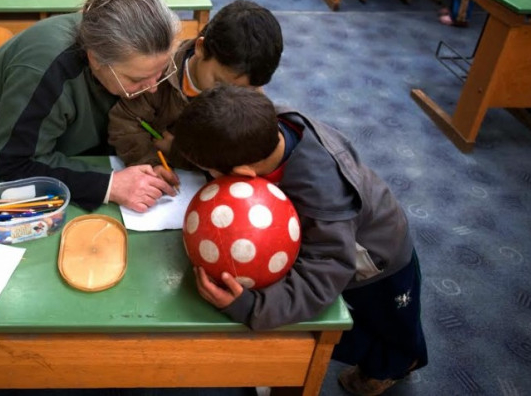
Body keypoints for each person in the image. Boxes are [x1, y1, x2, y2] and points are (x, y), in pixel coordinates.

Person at [172, 85, 427, 396]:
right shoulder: (265, 128)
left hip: (378, 261)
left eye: (210, 171)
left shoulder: (325, 197)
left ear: (244, 172)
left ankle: (394, 366)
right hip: (329, 236)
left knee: (391, 327)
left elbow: (322, 278)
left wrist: (251, 307)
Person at [0, 0, 180, 212]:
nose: (153, 87)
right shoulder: (44, 69)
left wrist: (146, 160)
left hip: (49, 142)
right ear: (95, 59)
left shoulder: (121, 50)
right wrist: (110, 185)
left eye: (160, 72)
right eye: (136, 79)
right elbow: (13, 165)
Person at [107, 0, 283, 174]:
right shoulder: (156, 76)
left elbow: (242, 153)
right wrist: (151, 163)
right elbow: (125, 122)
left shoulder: (251, 94)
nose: (226, 97)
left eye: (244, 90)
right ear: (201, 48)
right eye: (220, 83)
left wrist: (178, 152)